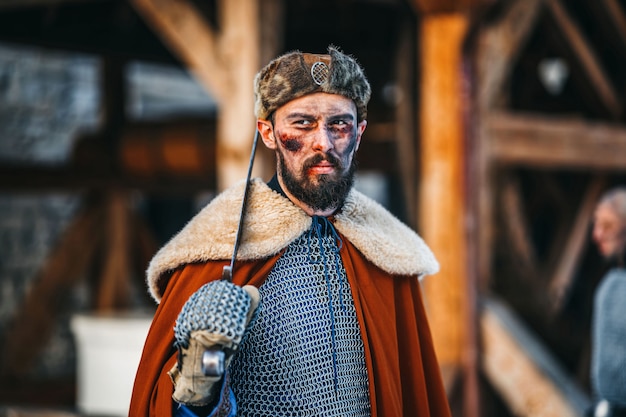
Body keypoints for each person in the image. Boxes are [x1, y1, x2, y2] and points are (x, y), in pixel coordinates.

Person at [129, 46, 451, 417]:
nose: (323, 143)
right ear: (267, 132)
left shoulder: (384, 252)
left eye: (339, 125)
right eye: (302, 123)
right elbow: (172, 407)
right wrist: (202, 379)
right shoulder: (217, 250)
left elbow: (409, 396)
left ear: (359, 133)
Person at [588, 187, 626, 417]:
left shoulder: (614, 288)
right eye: (596, 224)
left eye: (608, 226)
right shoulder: (612, 285)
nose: (596, 235)